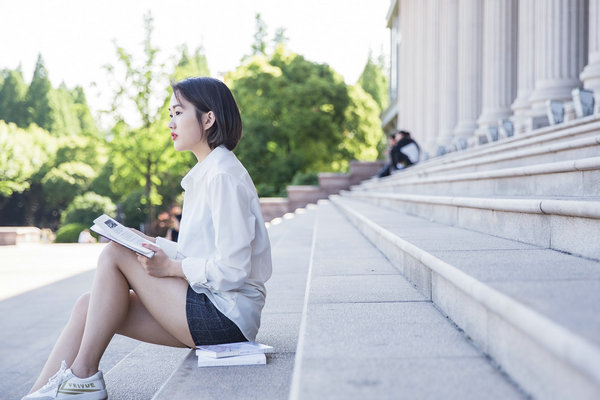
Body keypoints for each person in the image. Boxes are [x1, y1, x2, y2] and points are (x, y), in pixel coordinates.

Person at [23, 77, 273, 400]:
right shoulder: (208, 173)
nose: (171, 123)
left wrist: (171, 268)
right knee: (88, 306)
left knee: (114, 255)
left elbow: (234, 268)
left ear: (208, 119)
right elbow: (198, 252)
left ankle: (83, 377)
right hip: (210, 307)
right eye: (170, 114)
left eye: (179, 113)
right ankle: (37, 394)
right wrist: (149, 242)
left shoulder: (223, 175)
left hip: (226, 317)